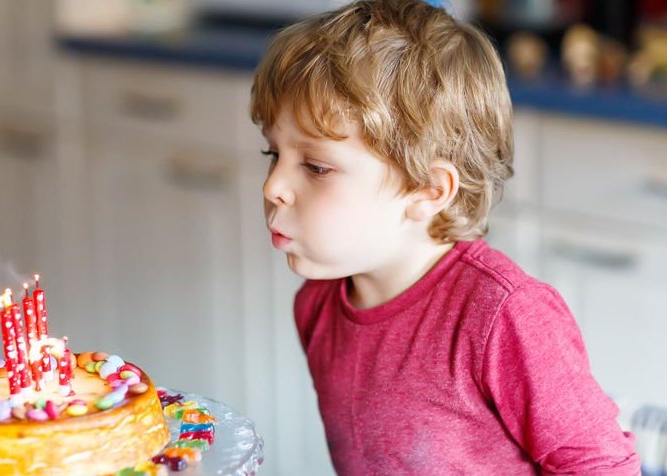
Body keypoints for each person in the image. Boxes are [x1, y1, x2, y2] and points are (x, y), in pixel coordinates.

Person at [250, 0, 641, 474]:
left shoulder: (504, 317)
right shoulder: (316, 306)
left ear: (428, 190)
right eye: (274, 154)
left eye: (316, 166)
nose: (272, 186)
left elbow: (604, 467)